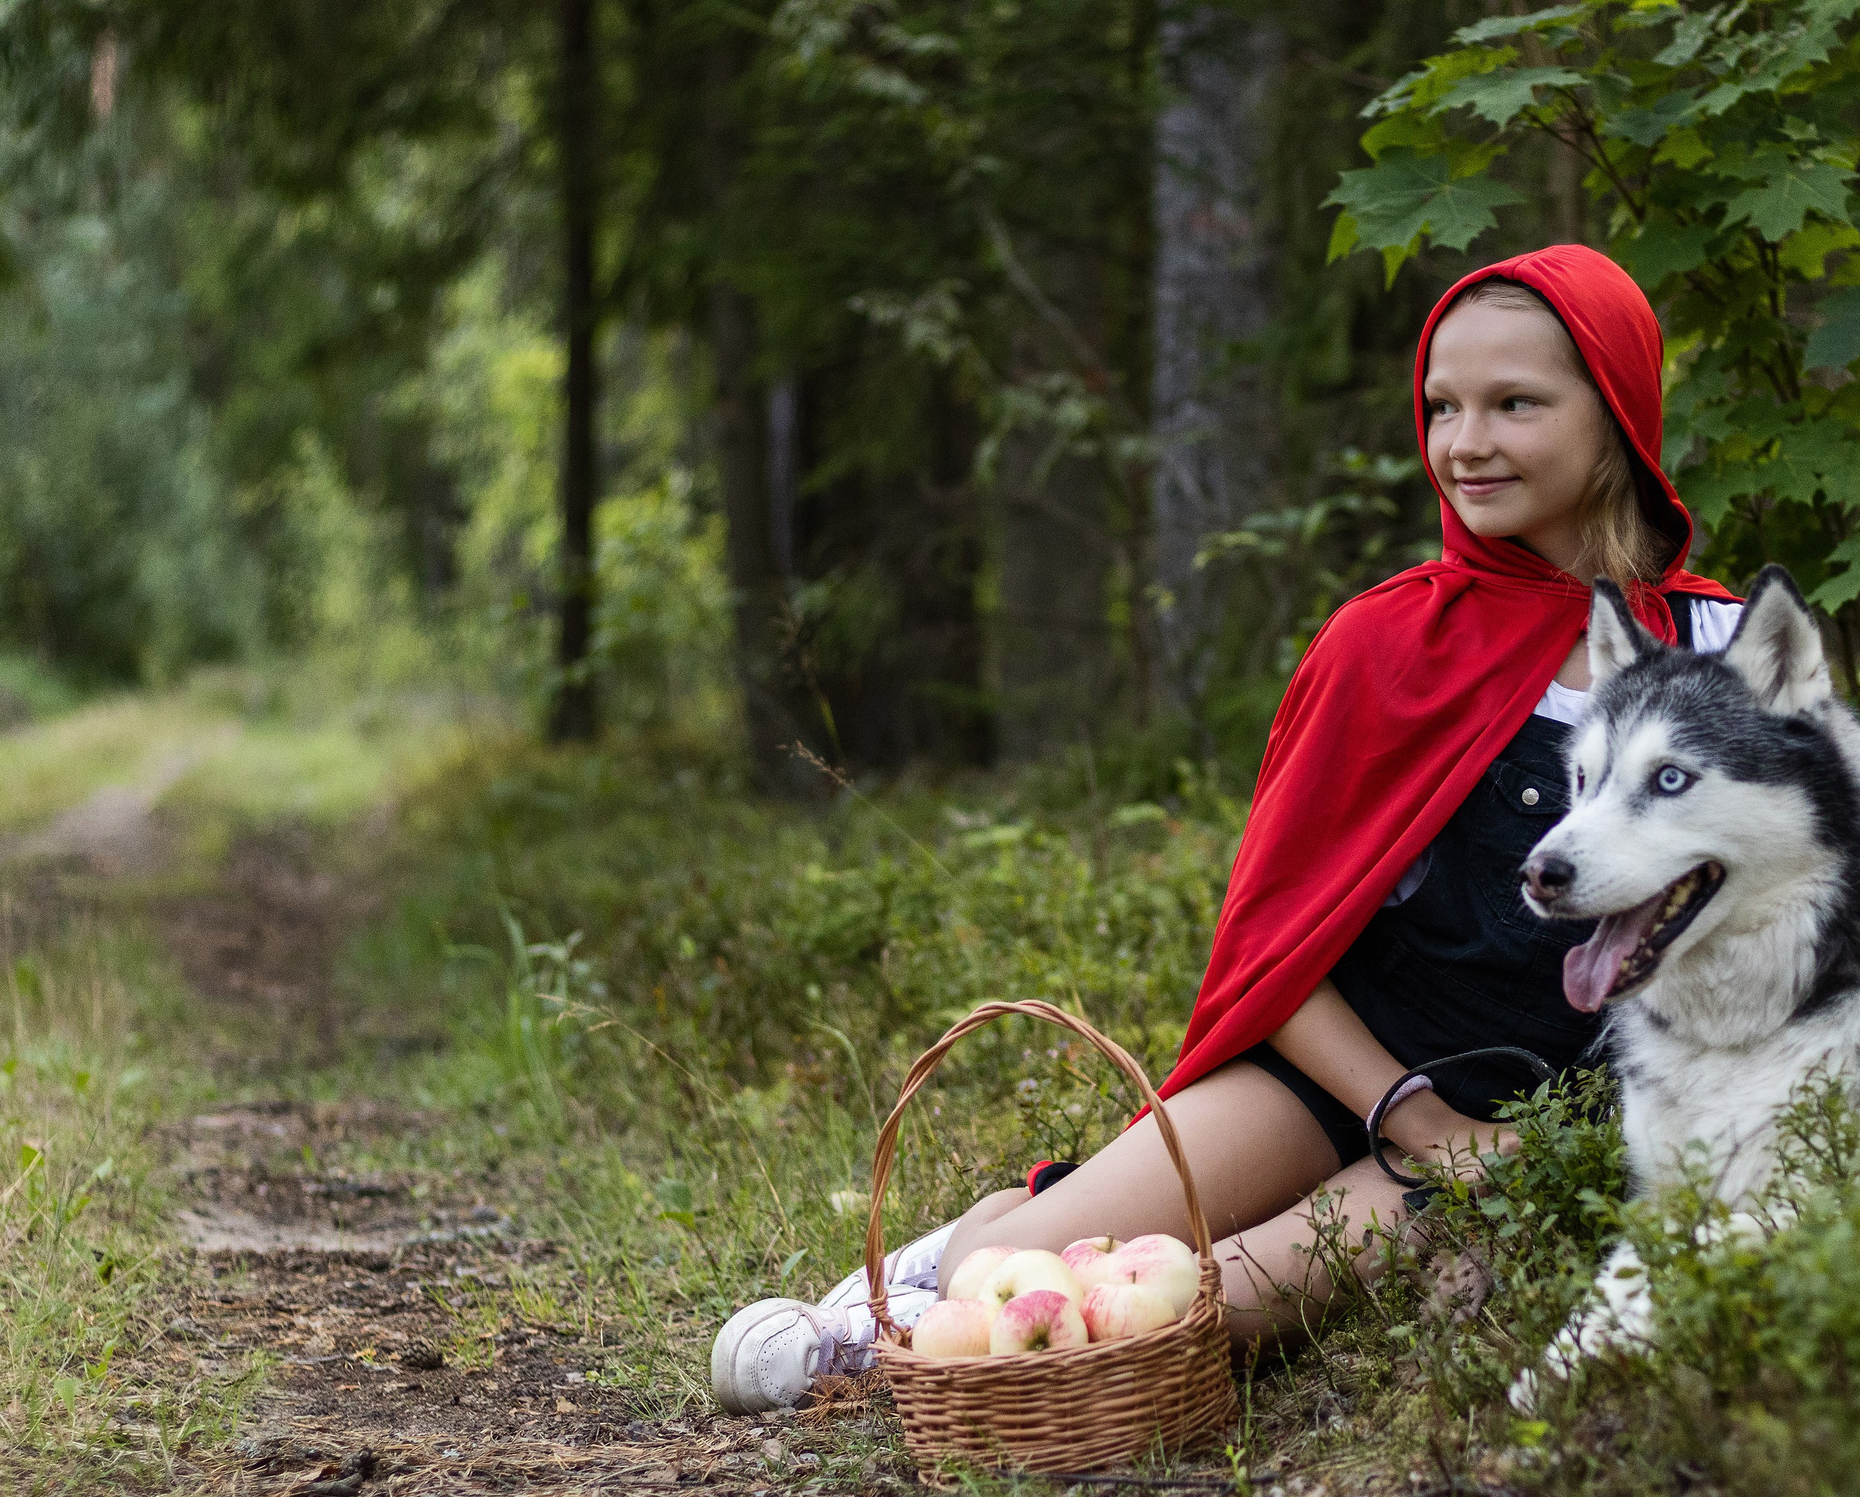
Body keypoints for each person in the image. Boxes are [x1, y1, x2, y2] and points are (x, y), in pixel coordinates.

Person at [711, 245, 1742, 1413]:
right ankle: (948, 1264)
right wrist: (1404, 1111)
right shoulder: (1384, 645)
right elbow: (1276, 945)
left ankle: (965, 1318)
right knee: (1011, 1277)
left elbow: (1828, 863)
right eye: (1441, 406)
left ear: (1618, 413)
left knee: (1197, 1313)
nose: (1465, 442)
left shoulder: (1715, 657)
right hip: (1344, 1067)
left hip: (1530, 1123)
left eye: (1517, 404)